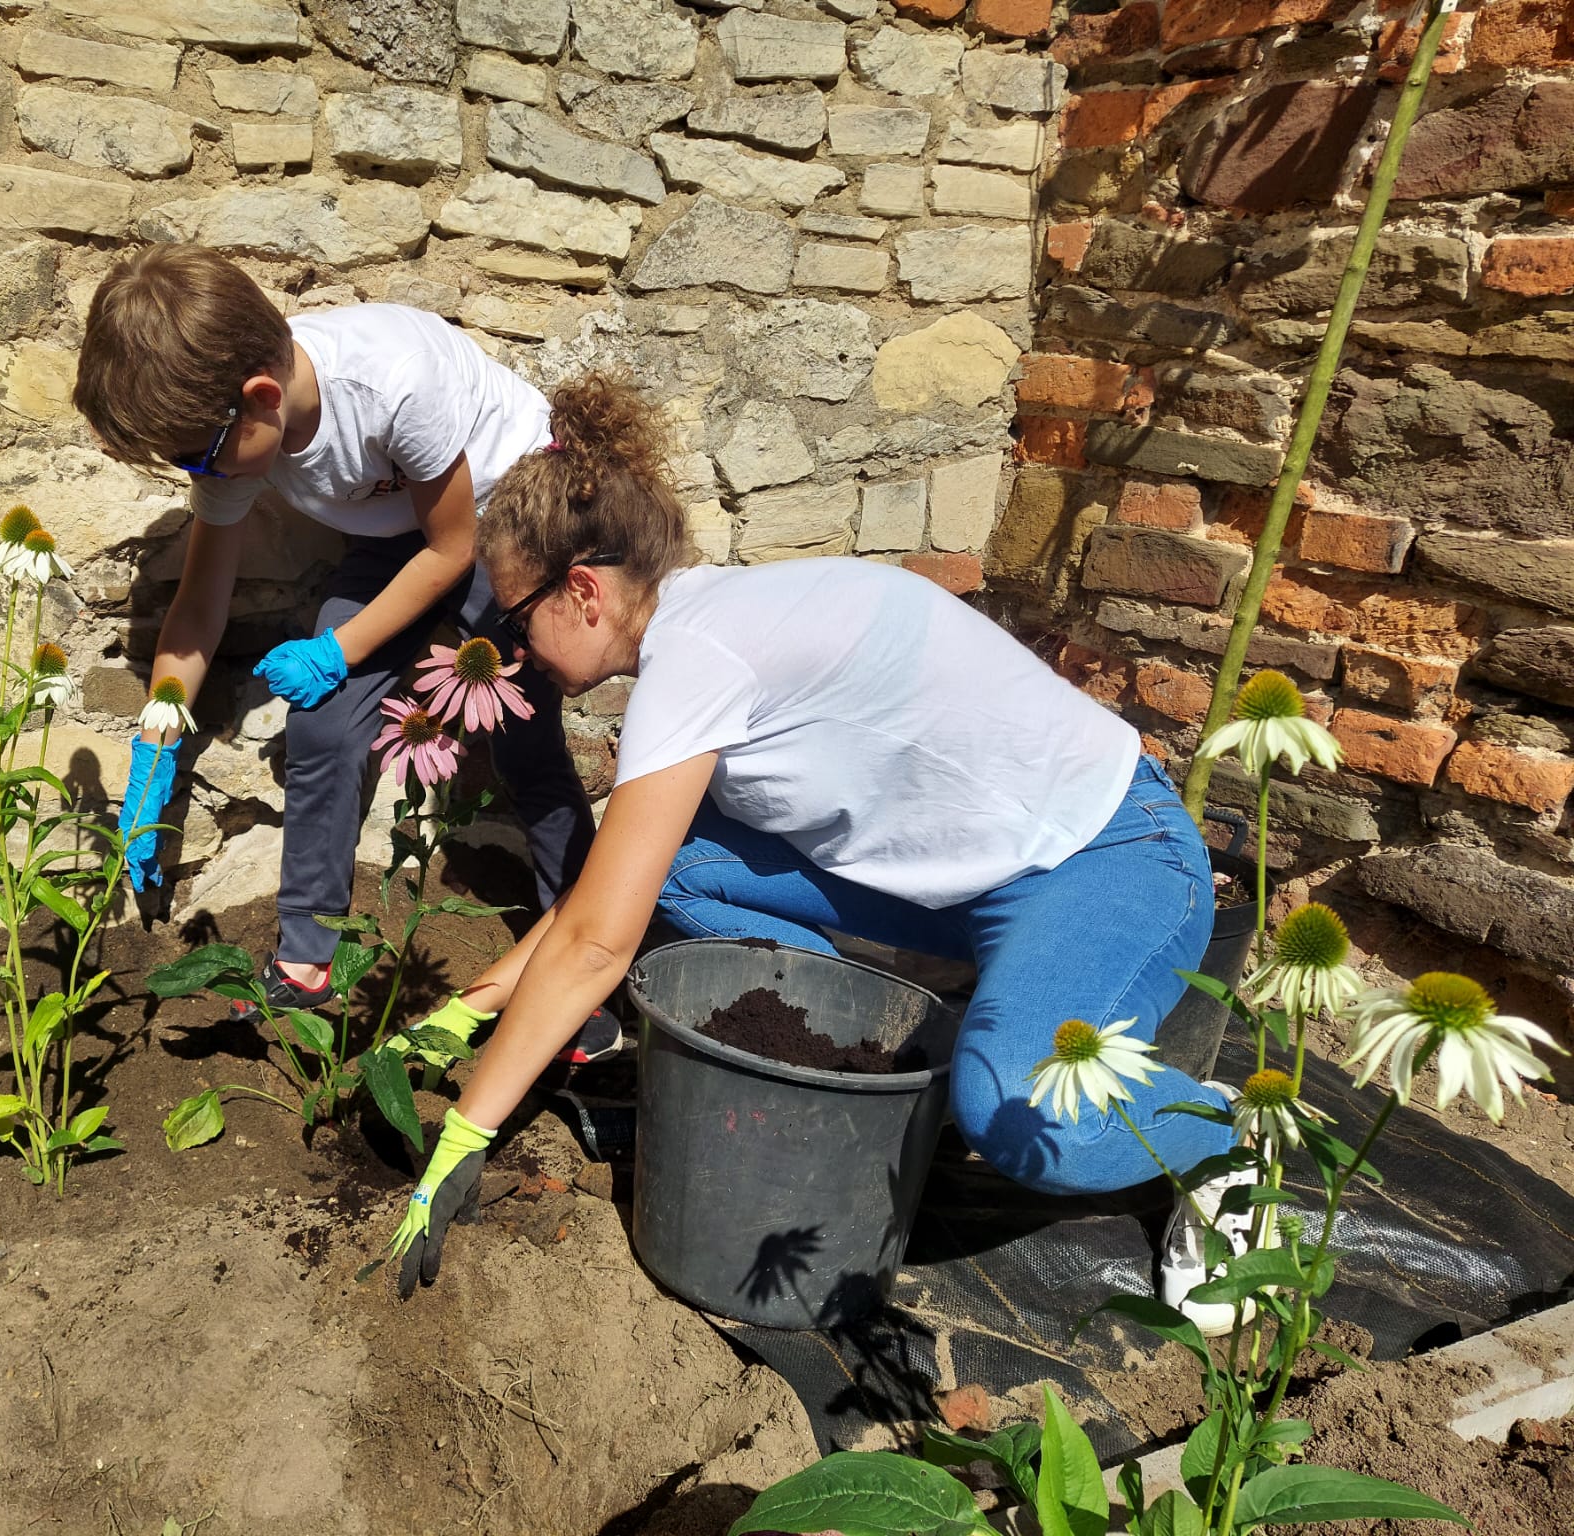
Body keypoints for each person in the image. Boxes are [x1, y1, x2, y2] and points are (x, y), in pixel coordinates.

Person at [386, 375, 1245, 1331]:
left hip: (1108, 859)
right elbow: (614, 890)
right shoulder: (702, 628)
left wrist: (468, 1131)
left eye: (514, 623)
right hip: (964, 885)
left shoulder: (701, 662)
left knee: (1022, 1117)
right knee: (677, 868)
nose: (512, 654)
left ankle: (1216, 1132)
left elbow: (596, 943)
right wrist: (471, 1008)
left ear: (582, 591)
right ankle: (924, 1039)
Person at [72, 247, 615, 1058]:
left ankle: (583, 979)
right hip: (407, 533)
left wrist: (336, 648)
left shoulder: (394, 384)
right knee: (323, 726)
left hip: (511, 516)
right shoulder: (235, 425)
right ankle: (305, 962)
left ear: (258, 402)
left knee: (524, 742)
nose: (196, 475)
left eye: (195, 457)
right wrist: (157, 738)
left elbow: (455, 548)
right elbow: (200, 601)